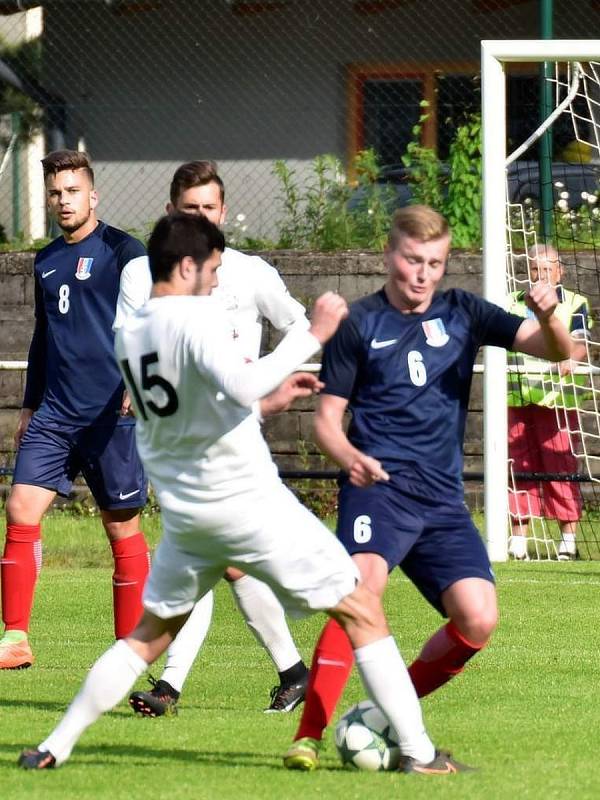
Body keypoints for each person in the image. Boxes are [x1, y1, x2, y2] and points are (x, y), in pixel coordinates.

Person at [18, 212, 468, 775]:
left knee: (145, 638)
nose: (215, 281)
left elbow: (203, 409)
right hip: (246, 504)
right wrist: (314, 333)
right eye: (210, 269)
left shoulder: (132, 332)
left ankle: (54, 745)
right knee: (362, 610)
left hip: (188, 519)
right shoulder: (196, 319)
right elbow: (242, 381)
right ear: (186, 266)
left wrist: (268, 405)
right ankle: (421, 754)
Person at [282, 205, 572, 771]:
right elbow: (324, 421)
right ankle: (308, 736)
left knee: (478, 618)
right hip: (379, 488)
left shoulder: (464, 311)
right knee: (361, 590)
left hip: (441, 499)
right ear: (391, 256)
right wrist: (350, 457)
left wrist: (551, 315)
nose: (422, 274)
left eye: (434, 263)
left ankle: (388, 712)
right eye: (413, 260)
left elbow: (557, 351)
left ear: (445, 264)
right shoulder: (359, 323)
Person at [128, 160, 311, 716]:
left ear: (224, 212)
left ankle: (170, 687)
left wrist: (265, 390)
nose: (202, 218)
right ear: (170, 214)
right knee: (213, 557)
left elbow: (300, 326)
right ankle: (293, 673)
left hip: (233, 437)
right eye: (191, 210)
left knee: (205, 554)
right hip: (181, 436)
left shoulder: (251, 274)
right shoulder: (141, 275)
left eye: (210, 208)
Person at [0, 150, 151, 671]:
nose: (64, 200)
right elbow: (44, 338)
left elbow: (149, 320)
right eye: (56, 192)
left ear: (94, 194)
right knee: (20, 510)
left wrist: (141, 377)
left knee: (121, 531)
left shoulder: (125, 251)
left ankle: (129, 653)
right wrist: (28, 404)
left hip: (112, 414)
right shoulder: (45, 261)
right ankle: (15, 636)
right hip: (56, 415)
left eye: (73, 190)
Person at [507, 244, 592, 561]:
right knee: (517, 467)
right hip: (518, 398)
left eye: (546, 270)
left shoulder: (575, 303)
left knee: (561, 467)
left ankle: (568, 542)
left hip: (557, 401)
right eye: (534, 270)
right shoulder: (513, 303)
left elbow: (582, 342)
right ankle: (518, 542)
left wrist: (570, 358)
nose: (540, 276)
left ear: (560, 272)